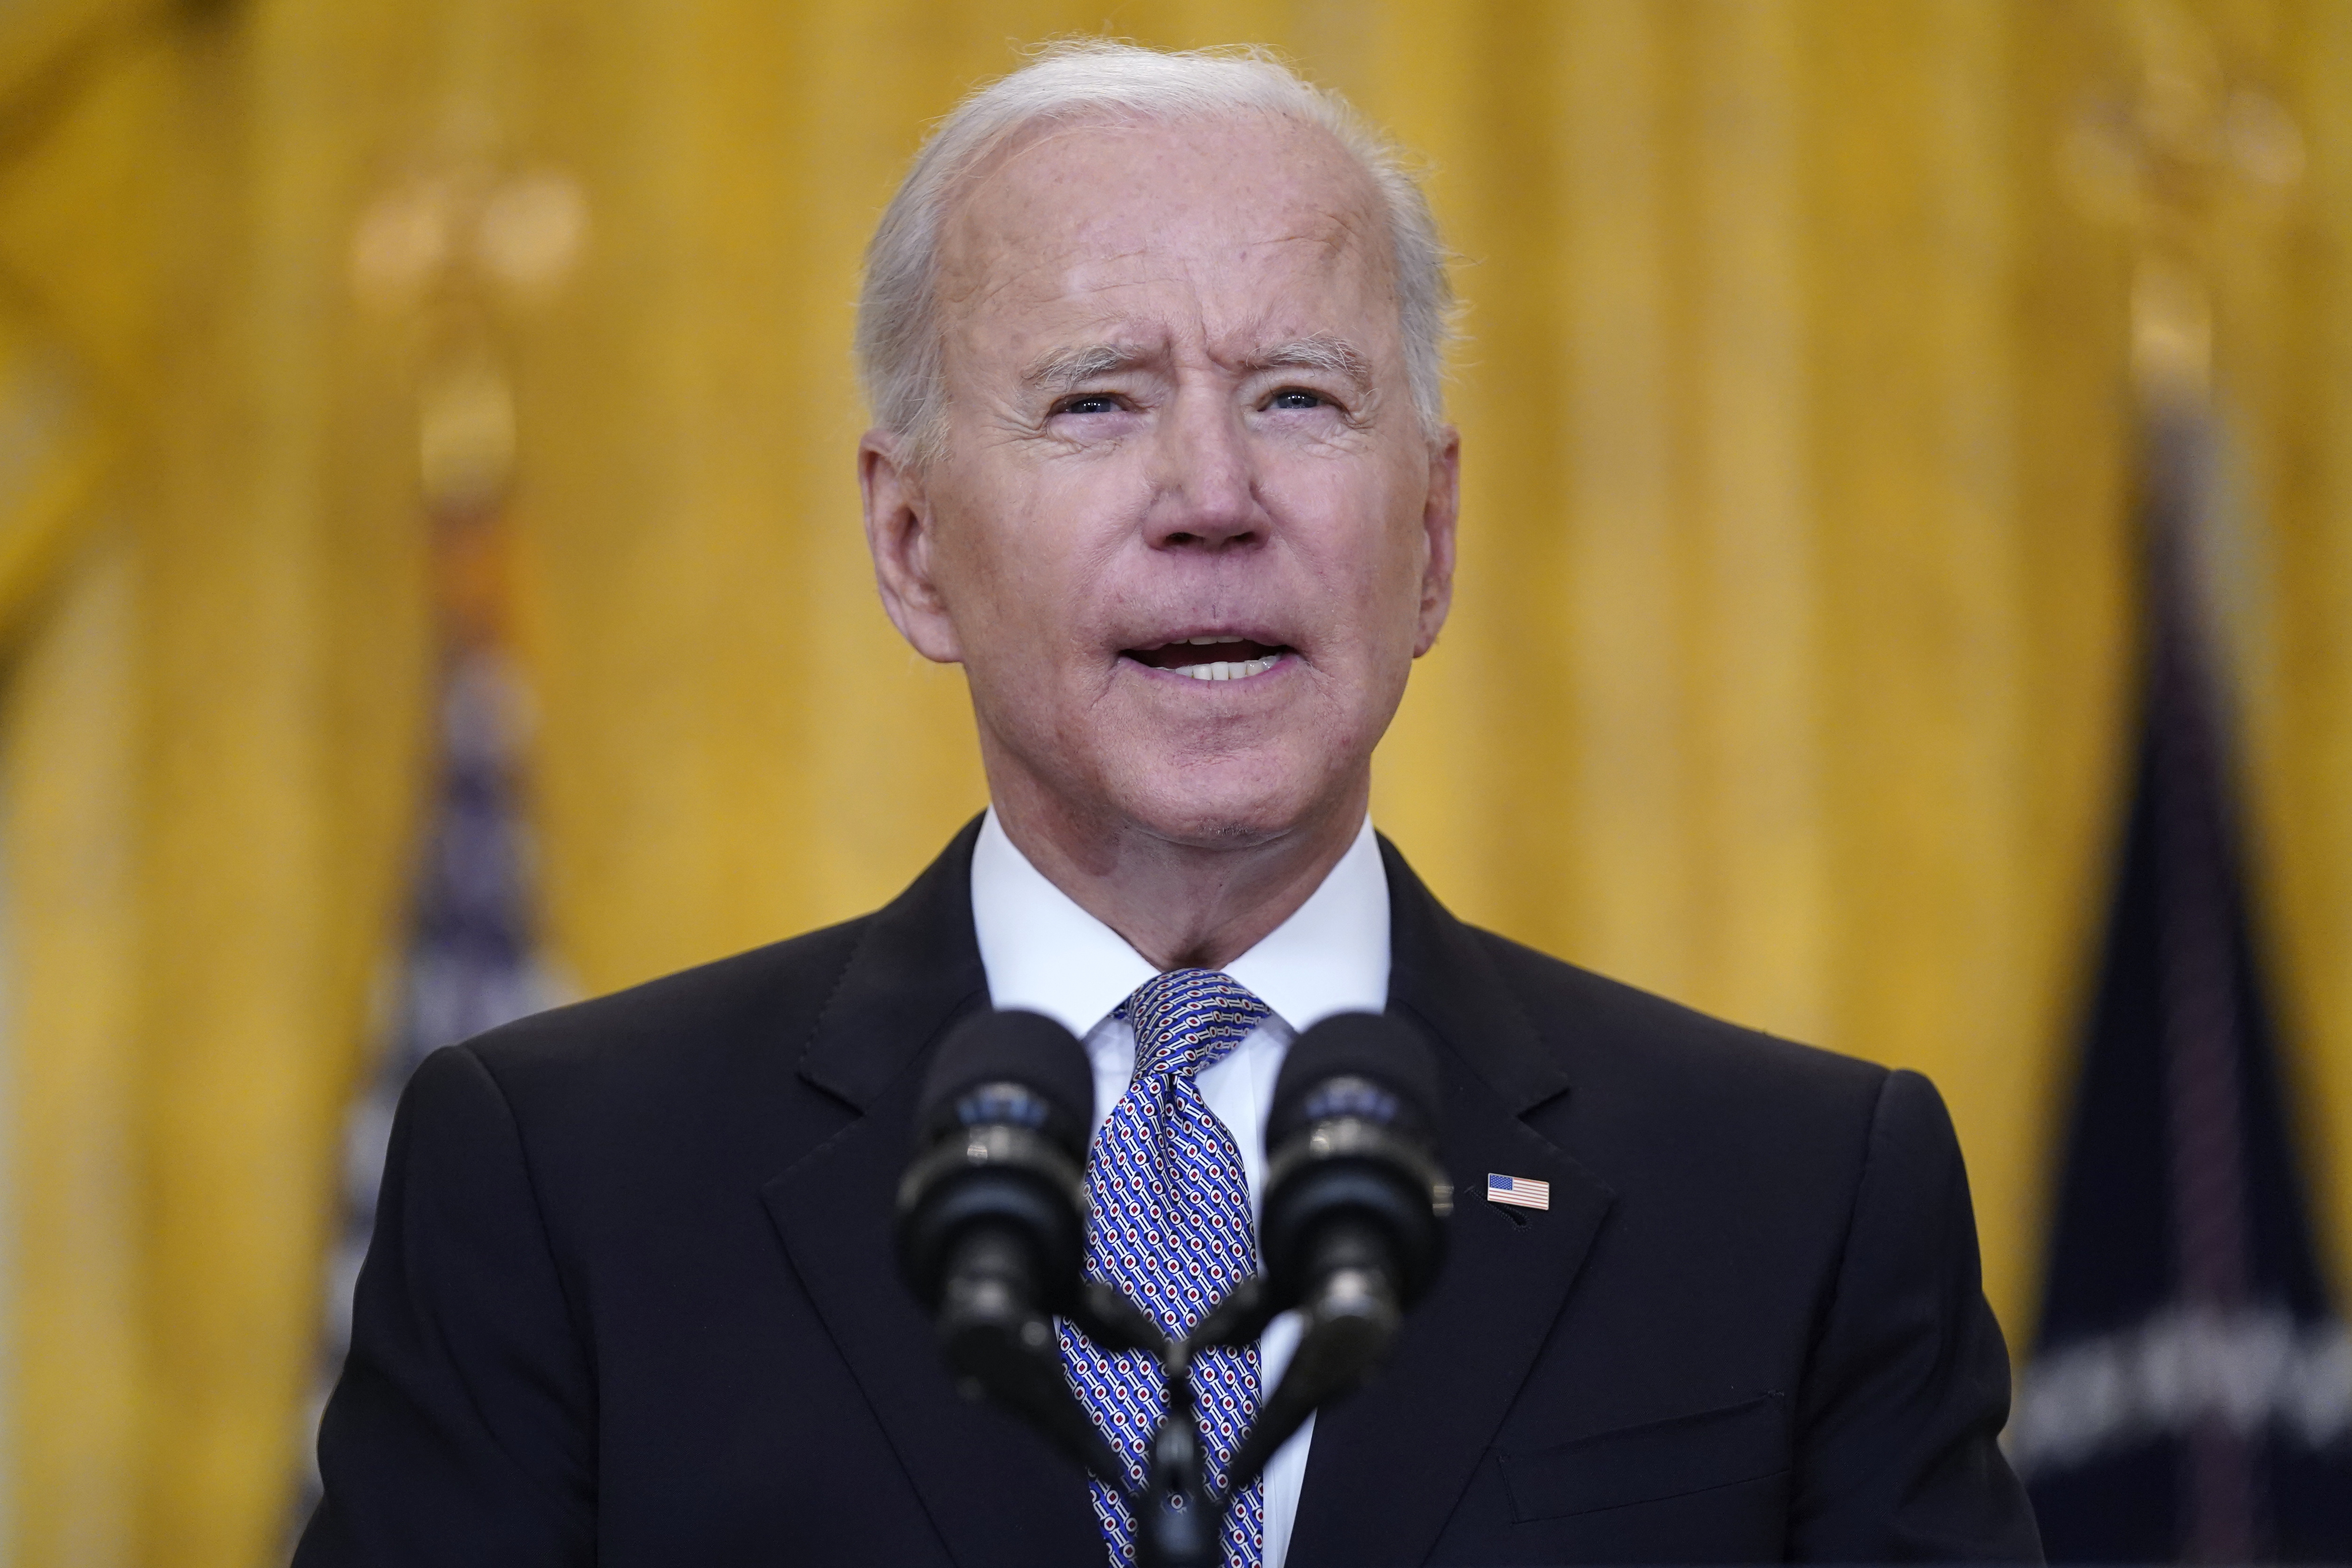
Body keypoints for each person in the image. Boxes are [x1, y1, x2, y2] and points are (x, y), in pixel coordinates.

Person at [297, 41, 2041, 1568]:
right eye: (1095, 401)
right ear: (911, 547)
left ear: (1429, 539)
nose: (1212, 493)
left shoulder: (1794, 1202)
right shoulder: (563, 1188)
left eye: (1298, 397)